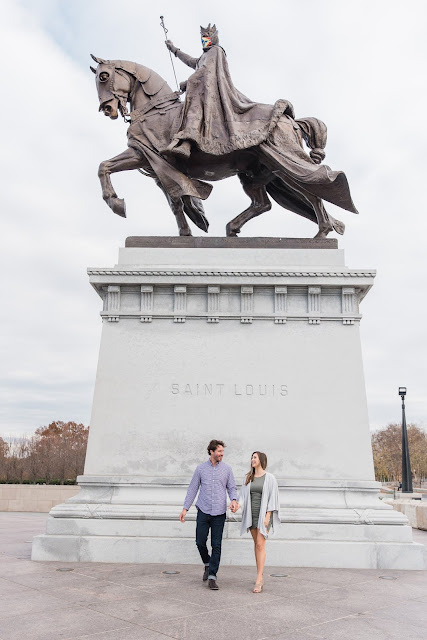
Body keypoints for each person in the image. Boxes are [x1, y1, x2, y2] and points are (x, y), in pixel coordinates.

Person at [165, 24, 294, 158]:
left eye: (206, 38)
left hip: (212, 91)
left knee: (195, 109)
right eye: (203, 39)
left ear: (213, 38)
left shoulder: (215, 50)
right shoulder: (206, 54)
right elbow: (192, 61)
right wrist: (174, 49)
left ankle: (187, 143)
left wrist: (187, 82)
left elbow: (205, 70)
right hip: (205, 89)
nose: (204, 41)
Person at [180, 439, 238, 590]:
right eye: (219, 451)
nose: (222, 454)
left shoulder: (227, 469)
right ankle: (207, 563)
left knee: (216, 545)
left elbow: (232, 488)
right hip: (203, 511)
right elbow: (192, 489)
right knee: (199, 541)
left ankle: (212, 576)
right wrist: (185, 508)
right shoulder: (200, 469)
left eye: (222, 452)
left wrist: (233, 500)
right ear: (211, 452)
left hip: (219, 513)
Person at [232, 451, 280, 593]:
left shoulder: (270, 478)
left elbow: (273, 498)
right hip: (251, 515)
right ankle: (260, 575)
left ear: (261, 460)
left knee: (260, 543)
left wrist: (267, 516)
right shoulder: (248, 477)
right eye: (251, 457)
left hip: (264, 515)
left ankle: (259, 579)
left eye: (255, 457)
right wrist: (236, 505)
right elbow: (242, 496)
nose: (252, 459)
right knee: (257, 544)